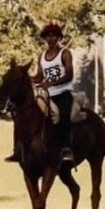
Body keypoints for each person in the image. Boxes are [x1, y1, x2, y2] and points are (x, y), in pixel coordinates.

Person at [35, 22, 76, 163]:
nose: (51, 38)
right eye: (48, 36)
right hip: (47, 94)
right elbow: (40, 76)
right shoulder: (42, 56)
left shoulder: (65, 53)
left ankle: (67, 148)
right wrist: (26, 78)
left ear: (59, 37)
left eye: (54, 36)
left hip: (63, 93)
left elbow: (69, 75)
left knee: (64, 115)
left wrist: (51, 83)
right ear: (44, 38)